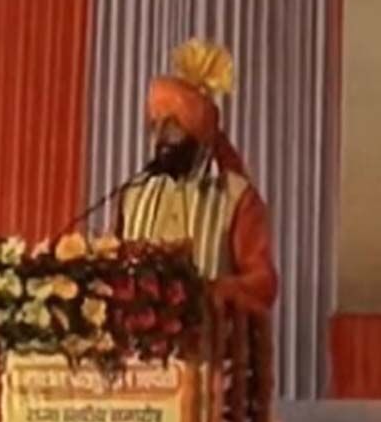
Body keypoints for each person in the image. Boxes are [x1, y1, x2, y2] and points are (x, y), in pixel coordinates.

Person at [117, 38, 277, 315]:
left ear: (199, 135)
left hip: (210, 338)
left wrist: (207, 293)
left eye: (173, 127)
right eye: (156, 126)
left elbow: (262, 283)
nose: (161, 138)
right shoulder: (132, 195)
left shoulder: (236, 197)